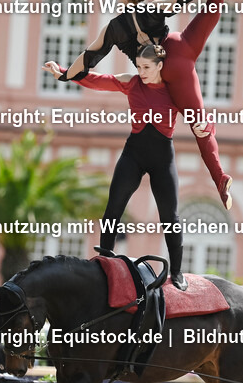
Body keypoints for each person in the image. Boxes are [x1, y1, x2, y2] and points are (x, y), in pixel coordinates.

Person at [56, 0, 243, 211]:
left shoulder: (113, 28)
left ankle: (220, 176)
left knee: (198, 126)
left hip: (162, 71)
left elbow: (87, 59)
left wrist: (65, 74)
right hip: (177, 49)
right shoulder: (152, 8)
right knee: (211, 12)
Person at [46, 43, 191, 289]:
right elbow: (97, 80)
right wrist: (63, 72)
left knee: (170, 216)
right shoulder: (132, 82)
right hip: (134, 154)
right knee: (114, 207)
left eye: (146, 67)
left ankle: (176, 272)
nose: (141, 71)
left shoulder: (174, 91)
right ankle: (105, 262)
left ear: (159, 66)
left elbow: (197, 112)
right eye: (138, 66)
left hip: (162, 159)